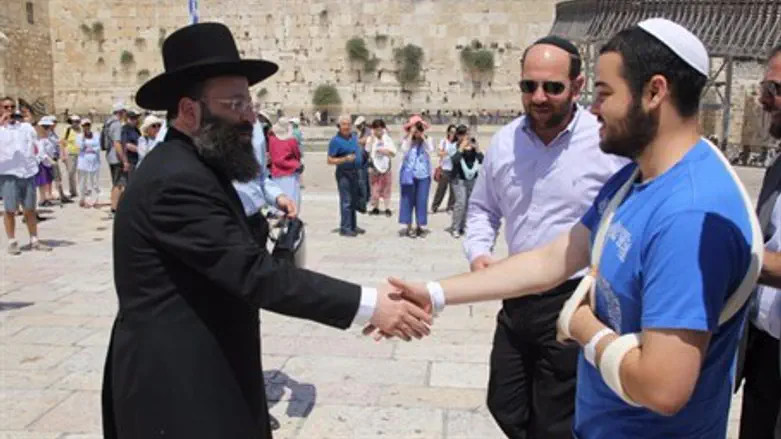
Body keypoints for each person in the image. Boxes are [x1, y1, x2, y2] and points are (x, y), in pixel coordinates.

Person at [380, 19, 762, 439]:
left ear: (654, 92)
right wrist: (434, 293)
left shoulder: (688, 214)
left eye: (604, 94)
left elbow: (663, 387)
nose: (594, 109)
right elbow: (552, 259)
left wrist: (581, 326)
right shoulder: (635, 180)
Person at [101, 22, 432, 439]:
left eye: (249, 102)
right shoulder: (175, 179)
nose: (249, 116)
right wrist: (371, 305)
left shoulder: (197, 166)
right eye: (235, 103)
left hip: (208, 370)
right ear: (189, 111)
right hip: (178, 390)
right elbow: (253, 274)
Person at [456, 35, 624, 439]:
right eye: (529, 86)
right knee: (505, 402)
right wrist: (479, 253)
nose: (539, 97)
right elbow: (482, 208)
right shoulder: (504, 142)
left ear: (578, 86)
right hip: (516, 295)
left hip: (573, 298)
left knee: (556, 418)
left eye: (552, 87)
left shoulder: (606, 144)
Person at [736, 43, 781, 439]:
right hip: (765, 355)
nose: (765, 100)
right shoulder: (778, 166)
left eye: (776, 89)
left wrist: (735, 255)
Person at [0, 101, 51, 255]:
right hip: (9, 173)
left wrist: (32, 120)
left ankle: (34, 239)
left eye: (11, 107)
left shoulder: (25, 127)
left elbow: (42, 136)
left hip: (27, 172)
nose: (10, 110)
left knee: (30, 209)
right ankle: (12, 241)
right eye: (6, 107)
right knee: (10, 210)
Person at [398, 115, 434, 239]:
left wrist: (423, 138)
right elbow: (403, 150)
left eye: (420, 128)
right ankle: (408, 227)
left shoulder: (427, 140)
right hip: (408, 174)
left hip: (423, 175)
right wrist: (410, 136)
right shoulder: (406, 140)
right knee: (407, 201)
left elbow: (431, 150)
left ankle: (420, 226)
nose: (418, 131)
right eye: (415, 128)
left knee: (422, 201)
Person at [328, 115, 364, 237]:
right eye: (344, 124)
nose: (346, 126)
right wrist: (344, 159)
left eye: (348, 124)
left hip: (355, 173)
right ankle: (345, 227)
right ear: (339, 126)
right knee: (346, 201)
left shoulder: (353, 137)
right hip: (344, 174)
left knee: (353, 200)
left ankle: (352, 225)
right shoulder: (335, 141)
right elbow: (330, 160)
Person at [448, 136, 483, 239]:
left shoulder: (474, 152)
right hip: (459, 180)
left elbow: (482, 160)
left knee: (469, 204)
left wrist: (477, 148)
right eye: (466, 141)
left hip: (472, 180)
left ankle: (463, 226)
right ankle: (455, 228)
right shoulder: (458, 150)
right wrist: (461, 148)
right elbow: (454, 160)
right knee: (461, 203)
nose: (469, 144)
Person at [268, 118, 303, 212]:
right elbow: (297, 155)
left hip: (276, 171)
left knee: (278, 195)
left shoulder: (271, 139)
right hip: (290, 172)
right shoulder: (291, 141)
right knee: (292, 197)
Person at [367, 119, 396, 217]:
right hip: (374, 168)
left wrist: (385, 151)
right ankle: (376, 207)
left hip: (386, 166)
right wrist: (371, 138)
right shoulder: (371, 138)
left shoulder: (387, 139)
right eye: (376, 129)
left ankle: (387, 208)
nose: (379, 131)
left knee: (386, 189)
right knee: (375, 190)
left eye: (380, 129)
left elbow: (393, 153)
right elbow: (367, 150)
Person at [430, 124, 457, 214]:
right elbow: (439, 153)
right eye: (451, 132)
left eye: (455, 132)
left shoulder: (458, 143)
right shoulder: (444, 141)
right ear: (448, 132)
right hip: (445, 168)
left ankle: (450, 207)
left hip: (454, 169)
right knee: (441, 189)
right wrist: (449, 152)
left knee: (453, 190)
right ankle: (435, 206)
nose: (453, 134)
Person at [76, 118, 101, 208]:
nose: (86, 127)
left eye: (88, 125)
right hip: (83, 162)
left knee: (94, 182)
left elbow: (98, 147)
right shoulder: (79, 136)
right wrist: (84, 139)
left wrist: (89, 148)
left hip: (94, 161)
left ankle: (94, 200)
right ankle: (82, 199)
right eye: (84, 125)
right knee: (83, 182)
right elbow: (80, 147)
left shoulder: (96, 135)